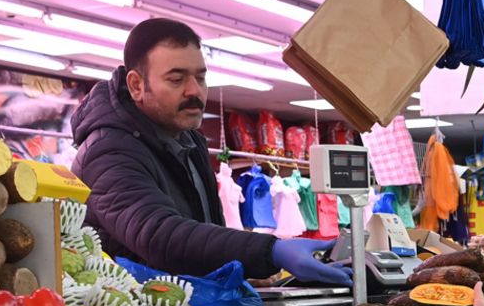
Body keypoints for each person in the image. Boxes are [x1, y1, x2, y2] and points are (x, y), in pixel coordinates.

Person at [71, 18, 351, 285]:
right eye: (176, 79)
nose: (195, 91)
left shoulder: (189, 141)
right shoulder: (108, 152)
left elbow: (203, 228)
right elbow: (159, 235)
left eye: (200, 77)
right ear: (136, 86)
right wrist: (270, 251)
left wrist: (235, 270)